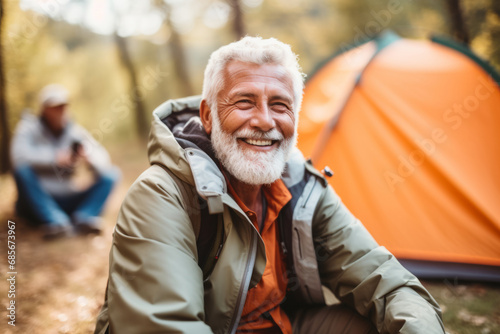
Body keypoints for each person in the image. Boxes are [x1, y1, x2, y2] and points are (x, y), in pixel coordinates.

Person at [94, 37, 445, 333]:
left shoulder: (302, 188)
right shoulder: (160, 195)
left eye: (280, 105)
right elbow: (167, 326)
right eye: (245, 101)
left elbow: (386, 282)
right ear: (207, 116)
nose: (264, 121)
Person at [11, 84, 119, 238]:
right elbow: (18, 158)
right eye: (55, 107)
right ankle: (56, 222)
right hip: (38, 199)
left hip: (68, 197)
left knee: (112, 174)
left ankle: (84, 218)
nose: (61, 111)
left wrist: (89, 159)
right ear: (44, 109)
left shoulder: (75, 132)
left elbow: (104, 161)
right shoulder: (27, 129)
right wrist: (54, 158)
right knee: (22, 172)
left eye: (63, 106)